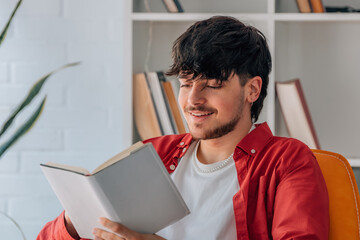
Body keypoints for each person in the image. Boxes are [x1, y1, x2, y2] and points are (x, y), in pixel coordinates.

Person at [37, 16, 329, 240]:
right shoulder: (156, 153)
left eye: (213, 84)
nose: (193, 100)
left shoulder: (286, 161)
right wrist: (79, 218)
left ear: (252, 89)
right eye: (186, 83)